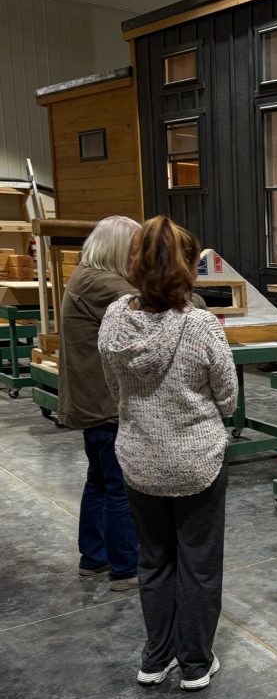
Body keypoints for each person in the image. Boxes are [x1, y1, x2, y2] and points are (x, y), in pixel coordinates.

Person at [98, 216, 238, 690]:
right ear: (186, 268)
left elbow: (115, 387)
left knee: (153, 561)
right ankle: (196, 662)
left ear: (134, 265)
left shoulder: (115, 321)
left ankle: (155, 659)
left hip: (139, 460)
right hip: (198, 461)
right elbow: (230, 399)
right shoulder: (201, 326)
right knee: (198, 564)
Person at [58, 215, 141, 592]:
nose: (140, 257)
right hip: (104, 403)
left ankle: (94, 558)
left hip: (95, 401)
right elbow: (156, 303)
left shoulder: (87, 276)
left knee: (100, 481)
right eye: (136, 249)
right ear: (118, 248)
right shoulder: (103, 283)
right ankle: (126, 569)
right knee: (120, 486)